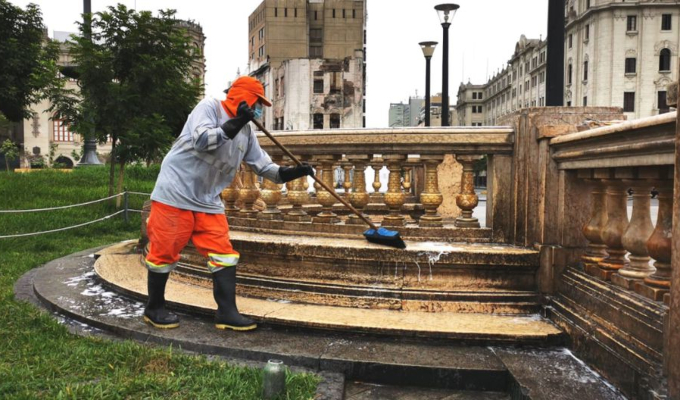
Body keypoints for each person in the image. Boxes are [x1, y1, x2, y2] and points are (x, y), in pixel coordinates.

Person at [142, 76, 313, 331]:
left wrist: (293, 173)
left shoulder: (246, 132)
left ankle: (227, 313)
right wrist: (237, 121)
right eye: (256, 103)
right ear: (243, 98)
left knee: (224, 254)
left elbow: (265, 167)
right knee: (164, 252)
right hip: (175, 194)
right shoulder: (209, 107)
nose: (258, 109)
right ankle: (154, 308)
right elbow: (203, 140)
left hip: (208, 200)